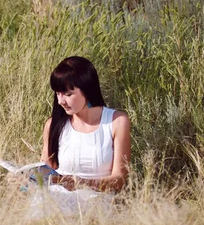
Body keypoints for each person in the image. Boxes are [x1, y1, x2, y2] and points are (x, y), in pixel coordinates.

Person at [11, 56, 131, 215]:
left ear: (87, 90)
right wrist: (25, 181)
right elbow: (46, 172)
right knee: (43, 206)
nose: (61, 101)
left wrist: (80, 183)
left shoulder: (117, 121)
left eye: (68, 94)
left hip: (97, 201)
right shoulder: (53, 124)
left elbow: (119, 180)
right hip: (57, 198)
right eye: (58, 94)